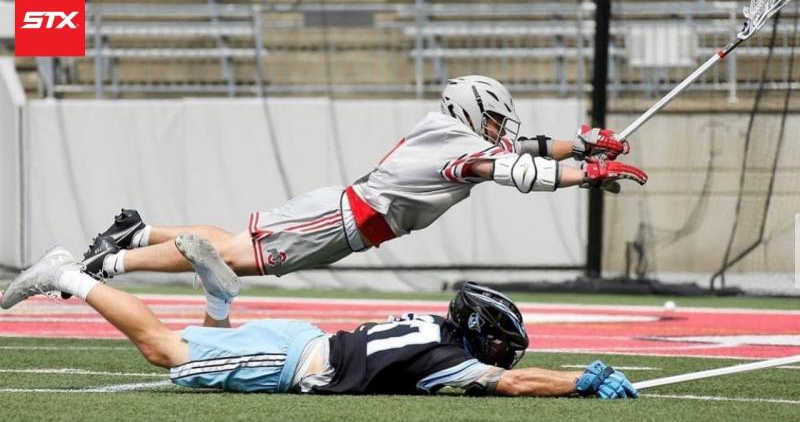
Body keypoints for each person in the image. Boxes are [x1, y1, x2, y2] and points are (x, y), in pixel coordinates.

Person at [66, 75, 648, 320]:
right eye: (495, 120)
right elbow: (515, 171)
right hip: (339, 221)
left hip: (340, 212)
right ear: (473, 115)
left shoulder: (456, 133)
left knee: (229, 244)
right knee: (226, 260)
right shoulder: (463, 145)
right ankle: (109, 262)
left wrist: (584, 146)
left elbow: (527, 148)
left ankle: (135, 232)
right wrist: (586, 176)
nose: (503, 129)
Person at [1, 235, 638, 399]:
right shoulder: (447, 356)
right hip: (294, 358)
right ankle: (66, 274)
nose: (502, 354)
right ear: (474, 332)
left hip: (306, 343)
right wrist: (581, 378)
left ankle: (218, 298)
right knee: (166, 352)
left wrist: (579, 373)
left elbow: (504, 373)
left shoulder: (436, 328)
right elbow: (513, 384)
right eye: (496, 341)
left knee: (202, 350)